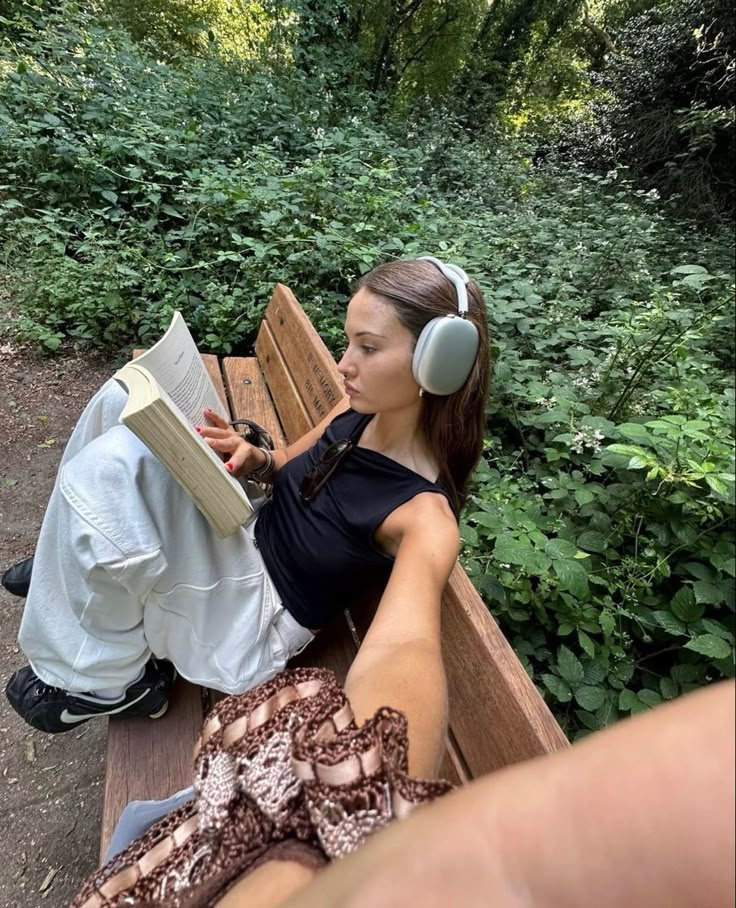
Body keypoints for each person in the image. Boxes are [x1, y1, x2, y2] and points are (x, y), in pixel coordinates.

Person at [3, 256, 490, 735]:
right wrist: (252, 456)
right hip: (242, 534)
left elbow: (405, 654)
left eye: (368, 347)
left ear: (438, 365)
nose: (344, 364)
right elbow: (281, 465)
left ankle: (107, 684)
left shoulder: (425, 516)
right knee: (121, 398)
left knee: (112, 467)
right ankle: (64, 563)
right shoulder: (361, 408)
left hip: (249, 619)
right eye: (347, 343)